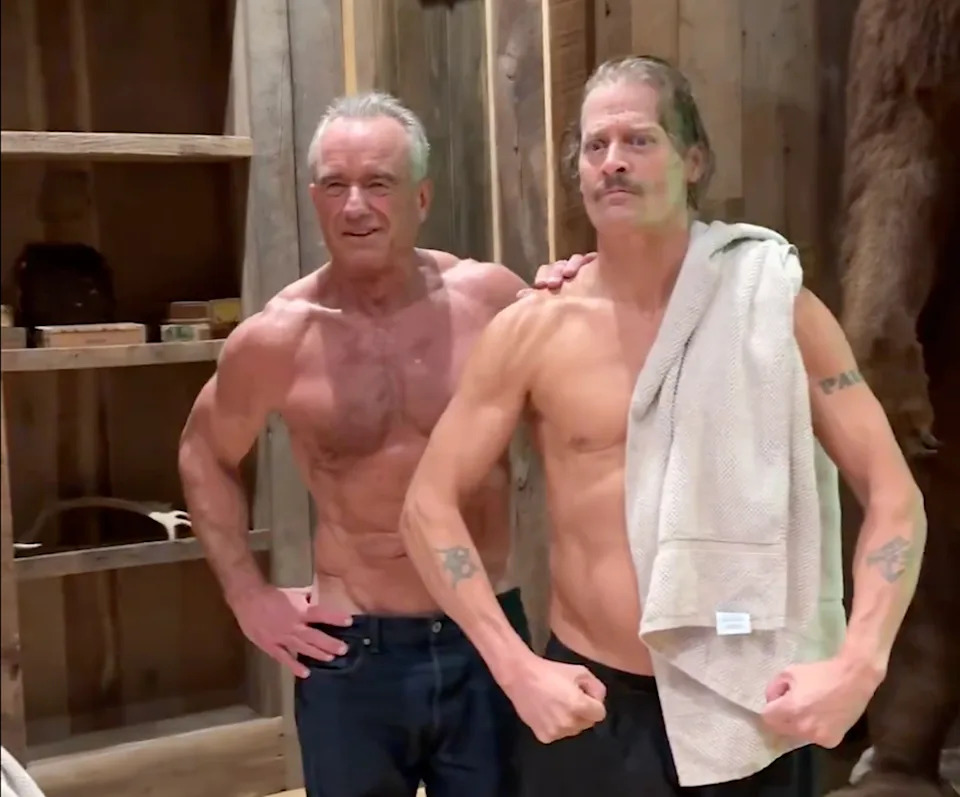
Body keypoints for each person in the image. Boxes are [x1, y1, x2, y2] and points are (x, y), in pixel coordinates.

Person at [398, 56, 927, 796]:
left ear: (694, 160)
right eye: (595, 145)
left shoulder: (773, 305)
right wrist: (515, 667)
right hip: (595, 704)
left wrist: (858, 664)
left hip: (752, 699)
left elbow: (895, 496)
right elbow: (426, 507)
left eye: (639, 140)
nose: (613, 161)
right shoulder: (534, 329)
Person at [177, 91, 583, 797]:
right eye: (335, 185)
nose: (355, 206)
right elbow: (202, 451)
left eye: (378, 183)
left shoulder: (491, 302)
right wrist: (246, 593)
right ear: (315, 198)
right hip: (352, 648)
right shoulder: (279, 337)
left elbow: (591, 402)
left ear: (421, 197)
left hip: (485, 635)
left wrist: (581, 286)